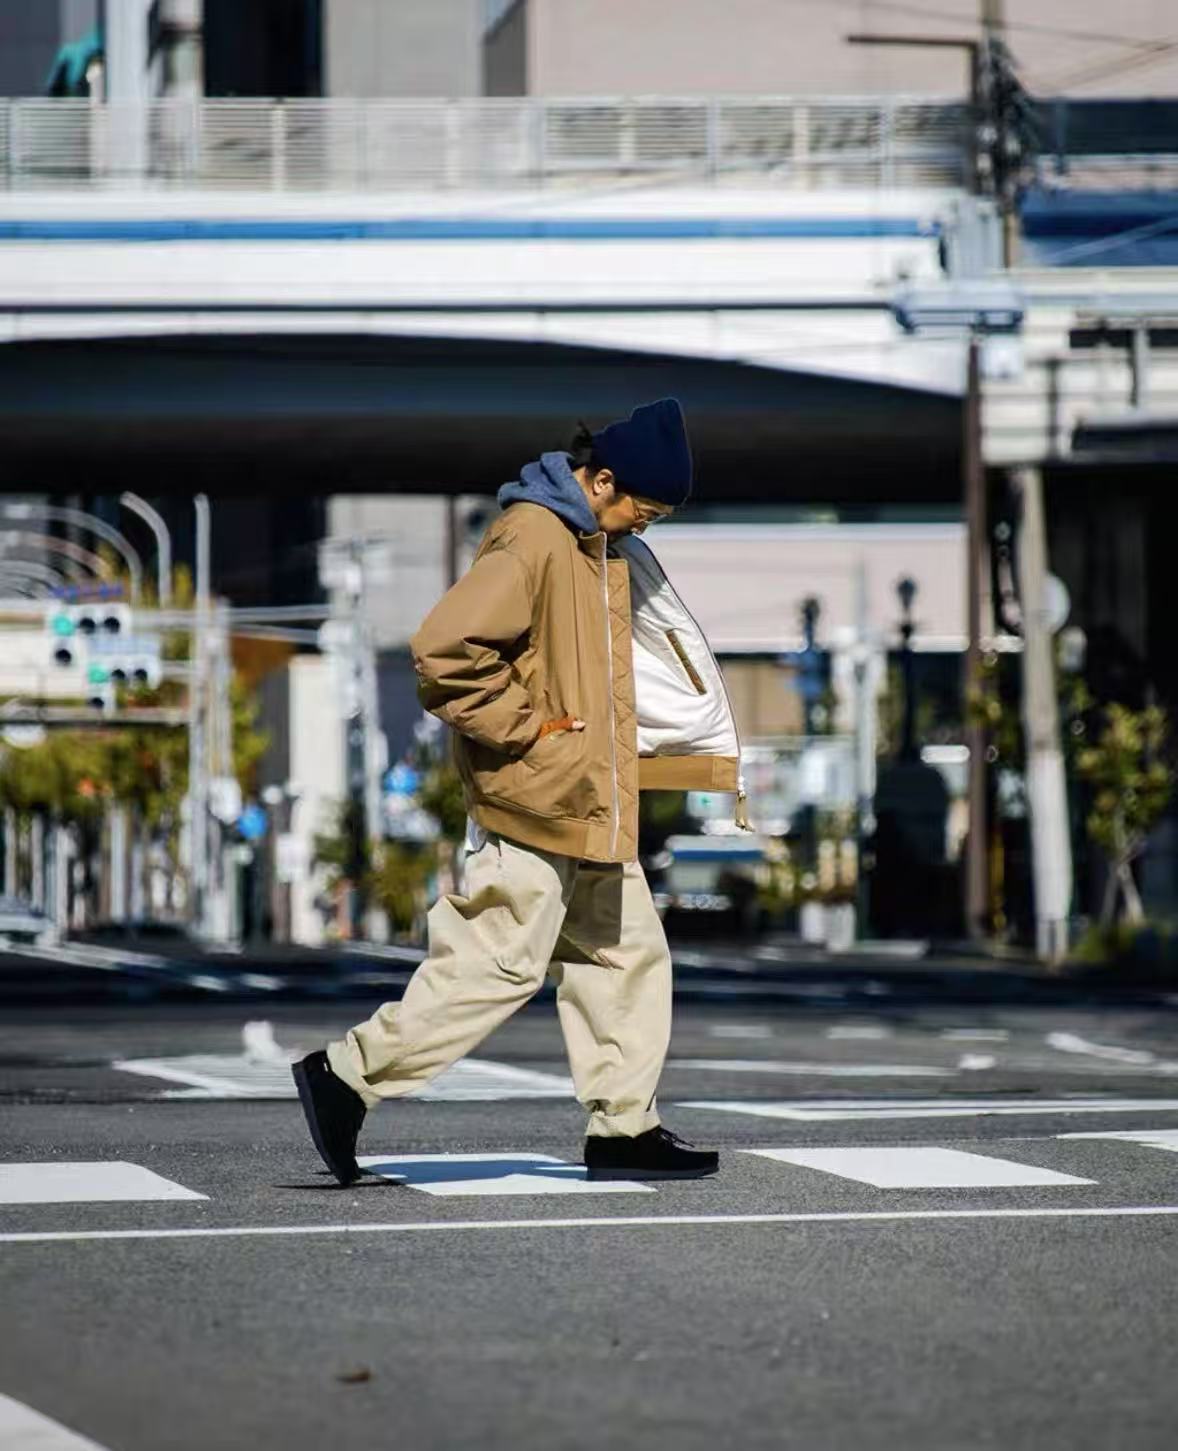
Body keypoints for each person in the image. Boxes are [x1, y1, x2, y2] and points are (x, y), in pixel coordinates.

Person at [293, 398, 746, 1185]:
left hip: (591, 798)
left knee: (628, 955)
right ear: (602, 481)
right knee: (498, 963)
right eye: (647, 509)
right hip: (537, 796)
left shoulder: (596, 543)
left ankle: (623, 1128)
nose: (650, 525)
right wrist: (530, 730)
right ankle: (345, 1074)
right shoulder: (534, 536)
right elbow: (444, 650)